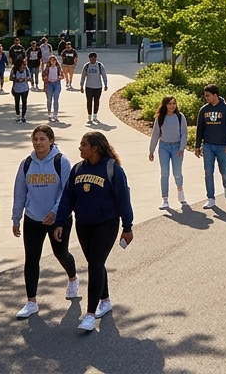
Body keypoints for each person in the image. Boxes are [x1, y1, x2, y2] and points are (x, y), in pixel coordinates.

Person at [54, 131, 134, 332]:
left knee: (95, 263)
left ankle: (90, 315)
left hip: (106, 223)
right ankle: (105, 300)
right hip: (83, 224)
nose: (80, 148)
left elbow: (123, 198)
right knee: (94, 263)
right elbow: (67, 198)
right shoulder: (78, 169)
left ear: (95, 148)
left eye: (83, 145)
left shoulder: (112, 169)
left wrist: (127, 226)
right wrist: (60, 222)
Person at [11, 125, 80, 319]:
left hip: (58, 220)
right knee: (31, 258)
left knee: (61, 253)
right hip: (33, 218)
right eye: (35, 139)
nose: (38, 143)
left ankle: (73, 278)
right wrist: (16, 217)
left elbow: (67, 192)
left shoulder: (61, 162)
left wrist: (55, 212)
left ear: (51, 140)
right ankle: (31, 301)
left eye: (42, 139)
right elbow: (19, 192)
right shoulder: (26, 164)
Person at [197, 84, 226, 208]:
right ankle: (211, 198)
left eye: (208, 96)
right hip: (208, 145)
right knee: (208, 172)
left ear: (215, 95)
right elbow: (200, 129)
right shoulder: (204, 110)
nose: (206, 98)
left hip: (222, 146)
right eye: (205, 96)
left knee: (224, 172)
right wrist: (197, 146)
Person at [148, 95, 188, 209]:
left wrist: (181, 148)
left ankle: (180, 191)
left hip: (177, 147)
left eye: (174, 103)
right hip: (164, 147)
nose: (172, 106)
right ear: (165, 105)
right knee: (164, 174)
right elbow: (155, 134)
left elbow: (184, 133)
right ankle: (165, 199)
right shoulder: (160, 118)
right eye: (170, 104)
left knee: (177, 173)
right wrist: (151, 150)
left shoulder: (180, 117)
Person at [78, 52, 109, 124]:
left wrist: (105, 84)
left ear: (96, 58)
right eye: (91, 59)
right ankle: (89, 115)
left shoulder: (99, 65)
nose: (92, 60)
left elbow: (104, 75)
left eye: (94, 59)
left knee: (96, 101)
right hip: (89, 86)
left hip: (98, 86)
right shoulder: (87, 66)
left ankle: (95, 115)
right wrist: (81, 85)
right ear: (89, 59)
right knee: (89, 101)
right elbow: (83, 76)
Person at [42, 54, 63, 121]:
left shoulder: (58, 67)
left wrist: (60, 77)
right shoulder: (47, 67)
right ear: (49, 61)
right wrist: (45, 77)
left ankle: (55, 114)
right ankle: (49, 113)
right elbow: (43, 75)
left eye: (54, 60)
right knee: (49, 99)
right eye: (51, 60)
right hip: (49, 84)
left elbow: (62, 75)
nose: (53, 62)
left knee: (56, 99)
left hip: (57, 84)